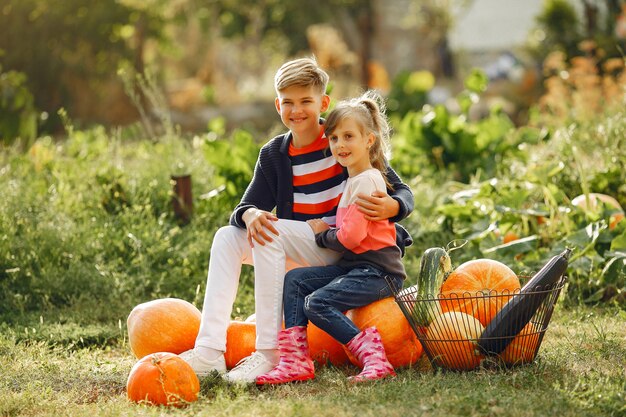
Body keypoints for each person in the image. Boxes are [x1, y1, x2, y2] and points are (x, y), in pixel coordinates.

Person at [180, 57, 414, 383]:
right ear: (278, 105)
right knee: (227, 236)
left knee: (271, 233)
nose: (297, 110)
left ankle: (269, 353)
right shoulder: (275, 154)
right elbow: (245, 206)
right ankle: (209, 352)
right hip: (303, 246)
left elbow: (401, 190)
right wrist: (251, 213)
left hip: (344, 248)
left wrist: (394, 206)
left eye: (306, 101)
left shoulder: (343, 139)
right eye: (288, 102)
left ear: (324, 102)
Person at [256, 91, 405, 385]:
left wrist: (323, 235)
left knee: (316, 303)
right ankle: (295, 360)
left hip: (379, 273)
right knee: (296, 280)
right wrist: (326, 224)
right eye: (334, 138)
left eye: (349, 136)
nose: (340, 144)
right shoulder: (355, 179)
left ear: (369, 140)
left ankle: (374, 359)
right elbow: (349, 223)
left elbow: (350, 237)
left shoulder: (368, 180)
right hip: (356, 268)